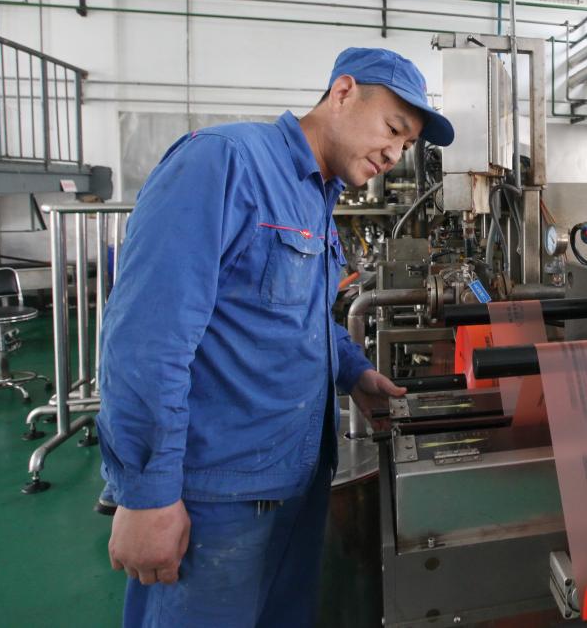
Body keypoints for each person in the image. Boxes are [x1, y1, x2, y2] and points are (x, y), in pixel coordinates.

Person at [95, 47, 454, 628]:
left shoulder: (315, 194)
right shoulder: (225, 162)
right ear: (342, 93)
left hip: (294, 483)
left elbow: (297, 313)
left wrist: (353, 370)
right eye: (393, 129)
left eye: (407, 145)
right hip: (217, 500)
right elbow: (145, 338)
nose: (395, 155)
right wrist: (147, 495)